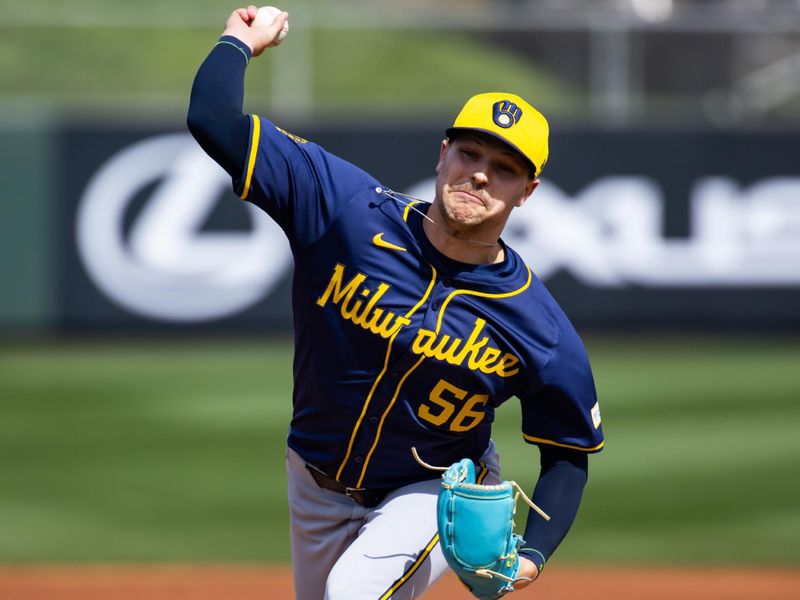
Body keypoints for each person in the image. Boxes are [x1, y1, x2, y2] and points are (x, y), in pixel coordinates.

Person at [187, 6, 604, 600]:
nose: (480, 175)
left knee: (351, 595)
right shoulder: (344, 210)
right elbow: (213, 118)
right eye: (470, 153)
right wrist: (237, 42)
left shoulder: (537, 325)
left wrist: (534, 555)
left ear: (528, 191)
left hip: (432, 491)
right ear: (443, 153)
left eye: (505, 168)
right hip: (313, 483)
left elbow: (567, 452)